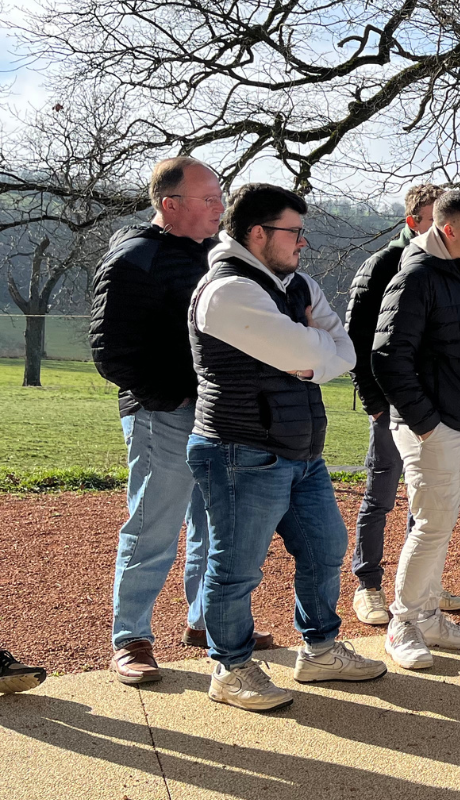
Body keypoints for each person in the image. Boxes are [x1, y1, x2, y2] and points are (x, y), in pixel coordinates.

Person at [189, 183, 386, 711]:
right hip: (240, 450)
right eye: (294, 232)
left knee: (325, 549)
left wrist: (312, 353)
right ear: (258, 233)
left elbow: (342, 352)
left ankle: (320, 649)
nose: (303, 243)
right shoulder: (228, 290)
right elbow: (310, 347)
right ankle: (229, 668)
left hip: (300, 450)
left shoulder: (296, 285)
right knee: (236, 567)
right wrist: (309, 349)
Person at [91, 157, 267, 686]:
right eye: (210, 199)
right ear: (171, 205)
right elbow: (110, 352)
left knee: (213, 525)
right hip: (161, 413)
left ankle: (204, 622)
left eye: (220, 198)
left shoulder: (219, 258)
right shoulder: (132, 258)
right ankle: (131, 638)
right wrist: (169, 400)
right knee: (153, 526)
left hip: (217, 414)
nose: (221, 207)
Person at [370, 190, 460, 668]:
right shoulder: (416, 277)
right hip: (433, 429)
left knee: (441, 526)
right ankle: (403, 623)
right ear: (449, 230)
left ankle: (426, 617)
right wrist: (426, 424)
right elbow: (386, 357)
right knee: (429, 527)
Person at [343, 183, 460, 626]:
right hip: (392, 408)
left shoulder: (455, 267)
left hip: (438, 411)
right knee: (381, 496)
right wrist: (376, 403)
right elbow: (356, 342)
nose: (446, 230)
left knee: (429, 502)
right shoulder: (380, 267)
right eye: (436, 220)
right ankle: (368, 586)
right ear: (413, 221)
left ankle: (422, 587)